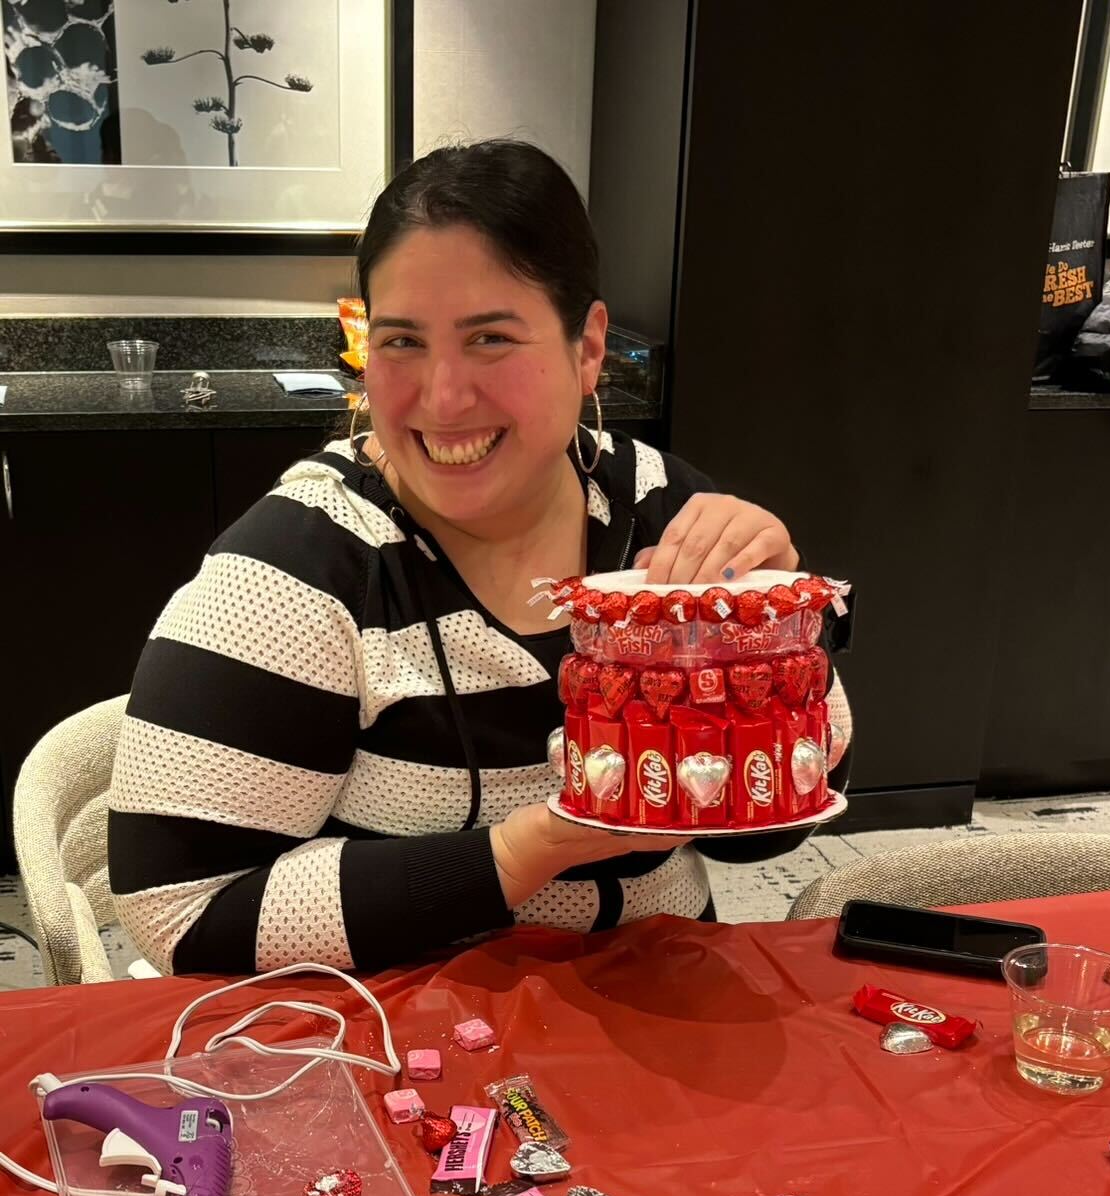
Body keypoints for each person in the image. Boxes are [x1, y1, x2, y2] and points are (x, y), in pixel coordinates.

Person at [107, 140, 853, 974]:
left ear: (587, 347)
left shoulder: (660, 512)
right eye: (401, 341)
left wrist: (773, 632)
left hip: (661, 994)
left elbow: (768, 833)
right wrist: (521, 853)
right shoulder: (296, 573)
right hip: (404, 1022)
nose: (442, 396)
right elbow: (181, 912)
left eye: (490, 337)